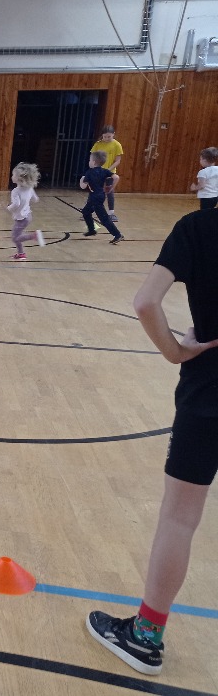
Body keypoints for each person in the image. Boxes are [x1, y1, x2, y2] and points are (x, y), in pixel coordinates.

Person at [86, 207, 218, 676]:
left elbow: (146, 302)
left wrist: (176, 352)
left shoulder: (198, 227)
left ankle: (145, 637)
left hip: (210, 390)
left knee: (179, 518)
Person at [80, 151, 124, 244]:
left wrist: (81, 180)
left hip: (94, 198)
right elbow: (116, 177)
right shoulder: (105, 171)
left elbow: (83, 186)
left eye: (90, 160)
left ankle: (118, 235)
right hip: (100, 195)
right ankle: (92, 230)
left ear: (94, 162)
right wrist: (111, 188)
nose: (89, 162)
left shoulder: (89, 172)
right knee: (86, 212)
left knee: (104, 218)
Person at [6, 163, 45, 261]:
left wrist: (8, 208)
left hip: (21, 218)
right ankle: (21, 254)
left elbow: (16, 204)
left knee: (15, 238)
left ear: (19, 178)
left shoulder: (15, 191)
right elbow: (35, 199)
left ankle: (33, 236)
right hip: (28, 216)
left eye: (13, 175)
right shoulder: (29, 188)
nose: (12, 176)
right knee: (17, 237)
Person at [90, 125, 123, 221]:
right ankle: (89, 210)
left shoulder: (117, 145)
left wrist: (108, 170)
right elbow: (92, 157)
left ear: (113, 134)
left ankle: (111, 213)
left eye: (109, 136)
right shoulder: (98, 144)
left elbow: (118, 160)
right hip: (98, 172)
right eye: (105, 136)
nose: (107, 138)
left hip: (109, 172)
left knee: (109, 191)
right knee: (94, 191)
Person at [189, 146, 218, 210]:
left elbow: (202, 185)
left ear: (204, 160)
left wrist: (194, 188)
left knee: (204, 212)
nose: (200, 161)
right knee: (211, 211)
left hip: (206, 197)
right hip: (215, 196)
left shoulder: (203, 172)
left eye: (200, 159)